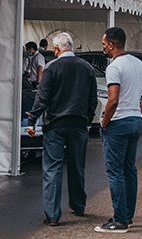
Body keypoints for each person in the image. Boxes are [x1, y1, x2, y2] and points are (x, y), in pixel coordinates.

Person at [26, 32, 98, 226]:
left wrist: (32, 121)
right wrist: (88, 121)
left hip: (55, 126)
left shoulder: (51, 68)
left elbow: (42, 98)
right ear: (72, 47)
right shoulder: (86, 68)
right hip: (79, 125)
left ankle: (53, 215)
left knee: (52, 168)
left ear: (56, 49)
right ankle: (78, 204)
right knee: (77, 165)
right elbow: (93, 99)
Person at [96, 27, 142, 234]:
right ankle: (127, 215)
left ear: (111, 45)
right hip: (134, 121)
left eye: (104, 44)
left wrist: (104, 122)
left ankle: (119, 220)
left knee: (115, 171)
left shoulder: (114, 67)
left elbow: (112, 100)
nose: (103, 47)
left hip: (118, 123)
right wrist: (137, 110)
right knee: (129, 169)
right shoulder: (137, 63)